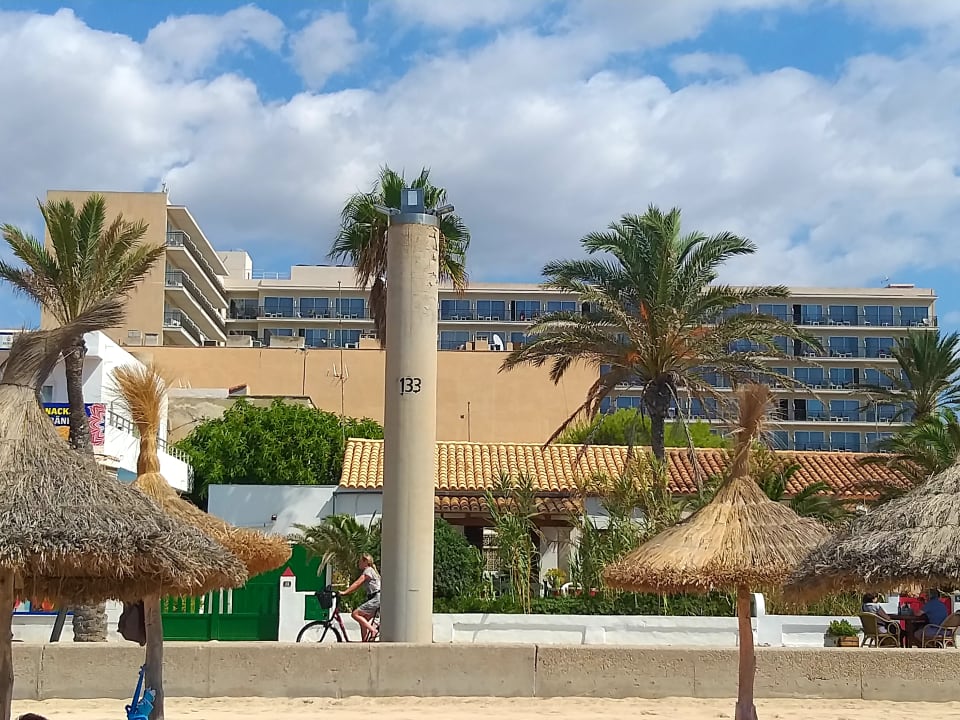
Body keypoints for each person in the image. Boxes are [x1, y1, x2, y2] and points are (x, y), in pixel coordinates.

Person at [343, 553, 381, 641]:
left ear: (365, 562)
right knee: (363, 620)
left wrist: (345, 592)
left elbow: (357, 583)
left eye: (360, 561)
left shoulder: (368, 571)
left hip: (376, 598)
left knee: (355, 614)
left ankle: (373, 630)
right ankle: (365, 642)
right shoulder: (372, 571)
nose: (358, 563)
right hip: (376, 598)